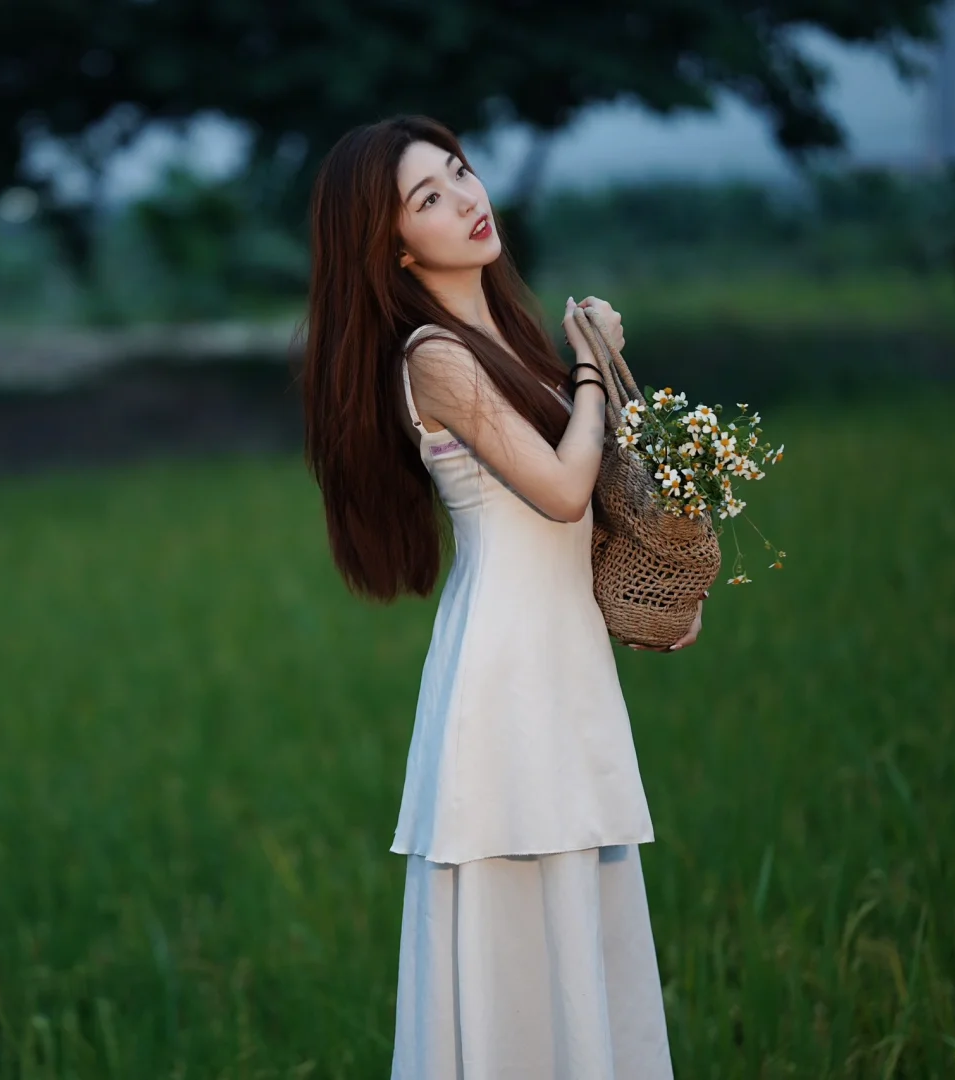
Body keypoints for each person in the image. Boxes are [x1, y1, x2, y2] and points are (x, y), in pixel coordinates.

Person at [300, 115, 706, 1079]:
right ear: (394, 245)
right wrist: (588, 359)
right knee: (519, 920)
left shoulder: (506, 337)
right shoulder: (433, 357)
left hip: (562, 655)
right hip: (507, 670)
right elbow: (563, 487)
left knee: (585, 908)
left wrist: (659, 580)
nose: (465, 200)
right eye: (427, 199)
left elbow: (588, 509)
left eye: (459, 172)